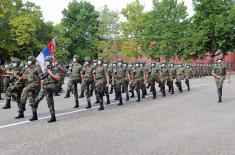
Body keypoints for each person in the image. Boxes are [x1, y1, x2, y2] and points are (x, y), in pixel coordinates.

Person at [30, 56, 61, 123]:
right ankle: (53, 117)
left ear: (50, 61)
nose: (46, 62)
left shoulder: (55, 68)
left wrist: (51, 73)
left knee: (45, 88)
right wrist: (41, 86)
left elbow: (58, 78)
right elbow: (43, 79)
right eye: (45, 61)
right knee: (49, 100)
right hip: (47, 86)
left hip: (54, 85)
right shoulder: (47, 68)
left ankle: (36, 102)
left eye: (47, 61)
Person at [15, 56, 43, 120]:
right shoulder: (28, 68)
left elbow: (42, 78)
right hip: (30, 84)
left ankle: (22, 107)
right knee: (31, 99)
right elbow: (26, 78)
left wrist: (41, 88)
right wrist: (20, 78)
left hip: (36, 84)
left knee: (25, 90)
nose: (28, 61)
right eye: (28, 60)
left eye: (29, 60)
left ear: (33, 61)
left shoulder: (37, 68)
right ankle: (34, 115)